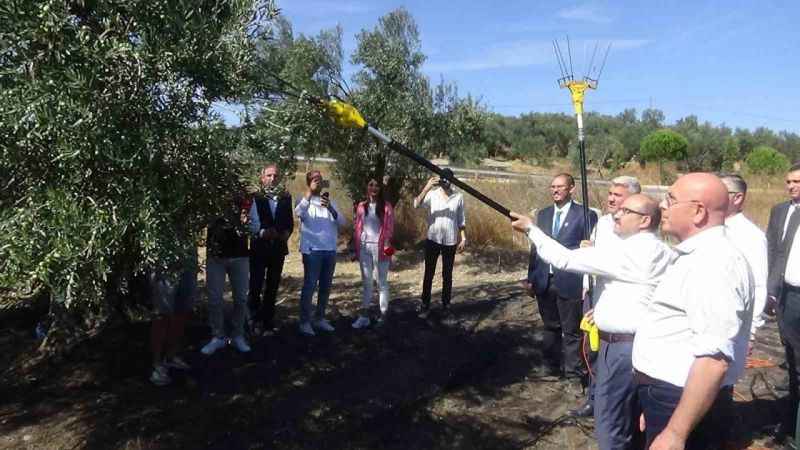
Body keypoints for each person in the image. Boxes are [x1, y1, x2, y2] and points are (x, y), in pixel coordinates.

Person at [511, 194, 675, 450]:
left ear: (644, 220)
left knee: (610, 424)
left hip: (622, 352)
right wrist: (599, 313)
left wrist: (531, 229)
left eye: (625, 211)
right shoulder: (660, 249)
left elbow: (565, 259)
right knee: (631, 421)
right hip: (638, 346)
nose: (616, 216)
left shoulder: (633, 251)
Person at [633, 173, 753, 450]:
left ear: (698, 211)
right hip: (669, 398)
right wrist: (653, 403)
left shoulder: (714, 263)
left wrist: (675, 431)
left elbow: (714, 360)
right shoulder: (700, 255)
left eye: (671, 199)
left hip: (679, 400)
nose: (662, 205)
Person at [574, 175, 642, 418]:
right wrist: (585, 284)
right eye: (610, 194)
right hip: (594, 295)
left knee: (613, 353)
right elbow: (590, 255)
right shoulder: (602, 223)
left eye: (617, 195)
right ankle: (594, 398)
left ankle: (617, 404)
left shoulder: (638, 228)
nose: (611, 198)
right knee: (592, 350)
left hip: (618, 304)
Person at [527, 173, 598, 392]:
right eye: (552, 186)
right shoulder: (544, 214)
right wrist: (531, 277)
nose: (555, 190)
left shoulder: (586, 215)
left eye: (560, 186)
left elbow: (590, 249)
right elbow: (536, 247)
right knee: (550, 326)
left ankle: (573, 374)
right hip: (544, 279)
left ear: (571, 189)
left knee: (572, 330)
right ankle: (549, 366)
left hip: (570, 281)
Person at [201, 195, 261, 355]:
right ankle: (218, 336)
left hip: (240, 256)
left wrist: (246, 223)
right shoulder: (212, 190)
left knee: (241, 299)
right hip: (216, 256)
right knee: (214, 299)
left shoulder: (247, 199)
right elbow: (201, 219)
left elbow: (255, 227)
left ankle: (237, 335)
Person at [766, 163, 800, 434]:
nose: (792, 186)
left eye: (797, 181)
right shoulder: (780, 212)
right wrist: (771, 291)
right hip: (787, 296)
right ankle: (790, 419)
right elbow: (774, 252)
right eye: (789, 181)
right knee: (790, 358)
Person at [295, 170, 346, 336]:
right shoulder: (303, 200)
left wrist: (330, 207)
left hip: (329, 250)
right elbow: (298, 213)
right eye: (315, 179)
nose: (318, 181)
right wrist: (309, 194)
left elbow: (343, 222)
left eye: (320, 179)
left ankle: (319, 318)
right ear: (309, 182)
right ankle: (304, 322)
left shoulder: (330, 202)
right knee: (309, 286)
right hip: (312, 251)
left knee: (325, 286)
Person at [720, 174, 767, 340]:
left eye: (720, 192)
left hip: (734, 326)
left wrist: (752, 330)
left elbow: (758, 285)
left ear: (737, 197)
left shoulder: (751, 236)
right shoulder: (707, 228)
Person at [413, 168, 466, 315]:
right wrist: (427, 187)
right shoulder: (432, 194)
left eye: (448, 180)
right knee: (429, 272)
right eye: (443, 180)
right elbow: (416, 204)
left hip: (450, 240)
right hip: (433, 239)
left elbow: (461, 219)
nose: (445, 182)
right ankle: (425, 303)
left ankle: (446, 304)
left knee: (447, 274)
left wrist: (463, 237)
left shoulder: (458, 197)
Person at [249, 164, 294, 335]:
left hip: (278, 249)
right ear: (262, 178)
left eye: (275, 176)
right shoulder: (256, 197)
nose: (272, 179)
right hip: (259, 248)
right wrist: (262, 232)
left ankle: (268, 321)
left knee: (273, 286)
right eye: (269, 175)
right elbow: (251, 224)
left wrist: (286, 233)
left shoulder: (286, 197)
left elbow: (289, 222)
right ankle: (253, 321)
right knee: (255, 285)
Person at [351, 176, 395, 328]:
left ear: (380, 189)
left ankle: (383, 315)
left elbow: (389, 230)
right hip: (364, 247)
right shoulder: (361, 206)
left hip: (381, 247)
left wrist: (388, 251)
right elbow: (358, 227)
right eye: (371, 185)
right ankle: (364, 316)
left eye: (376, 185)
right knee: (367, 282)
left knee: (381, 282)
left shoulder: (386, 206)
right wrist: (355, 248)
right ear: (367, 187)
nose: (374, 188)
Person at [149, 254, 198, 386]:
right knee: (162, 313)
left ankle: (171, 356)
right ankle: (157, 365)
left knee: (183, 309)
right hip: (165, 255)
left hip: (188, 257)